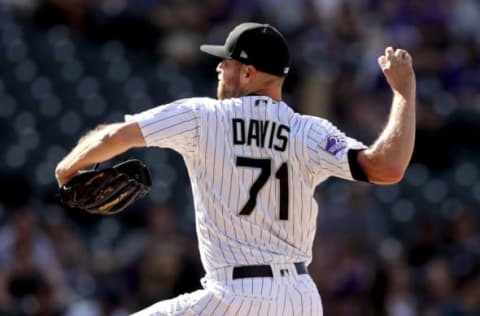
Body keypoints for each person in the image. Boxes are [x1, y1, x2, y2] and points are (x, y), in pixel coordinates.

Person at [55, 22, 416, 315]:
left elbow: (117, 136)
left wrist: (67, 169)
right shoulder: (310, 131)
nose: (218, 68)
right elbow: (387, 168)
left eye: (225, 62)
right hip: (300, 299)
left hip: (234, 295)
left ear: (248, 73)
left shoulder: (204, 116)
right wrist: (404, 95)